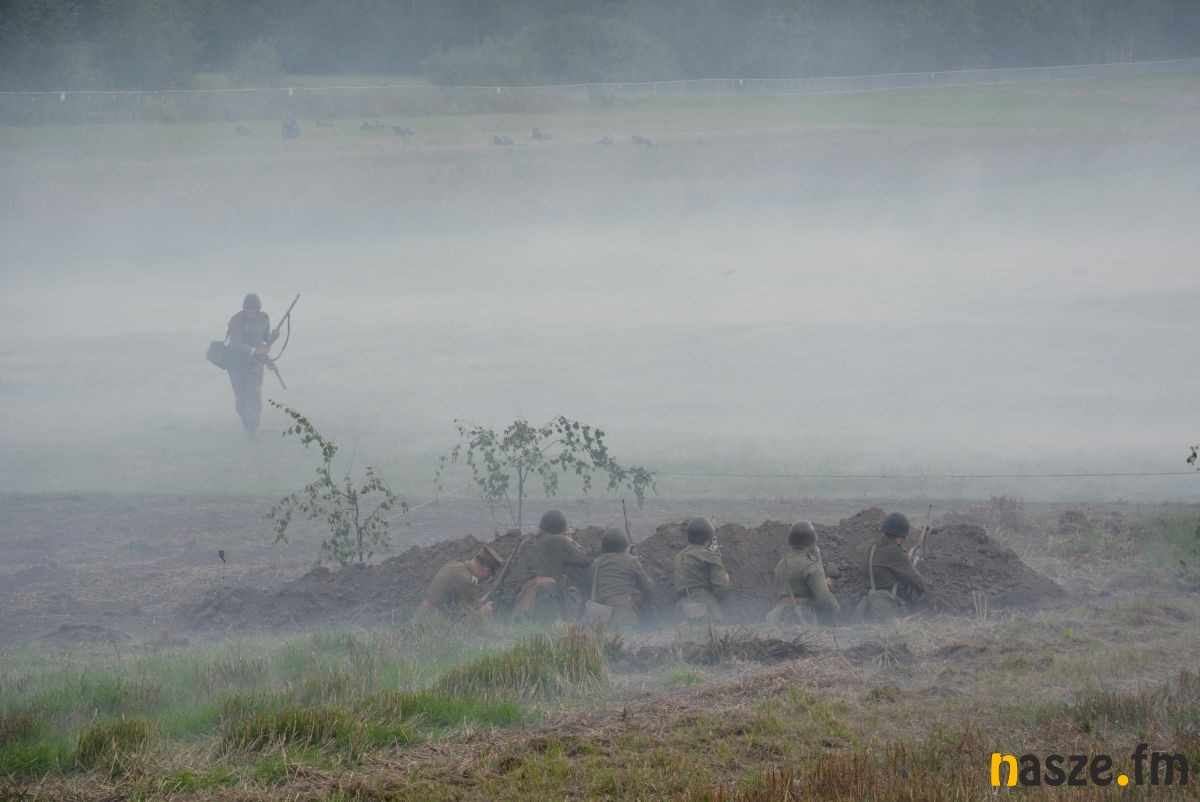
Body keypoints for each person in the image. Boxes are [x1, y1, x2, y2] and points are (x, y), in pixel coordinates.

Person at [507, 509, 593, 623]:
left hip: (524, 602)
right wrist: (569, 540)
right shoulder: (558, 540)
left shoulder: (525, 543)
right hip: (547, 599)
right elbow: (585, 559)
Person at [854, 512, 929, 623]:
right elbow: (920, 584)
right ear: (900, 537)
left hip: (868, 606)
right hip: (886, 610)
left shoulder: (873, 547)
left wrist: (905, 559)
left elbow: (886, 561)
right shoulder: (895, 552)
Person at [765, 521, 840, 627]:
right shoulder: (811, 565)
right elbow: (826, 600)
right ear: (810, 542)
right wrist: (835, 611)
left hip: (778, 617)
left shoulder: (782, 563)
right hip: (802, 617)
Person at [224, 293, 279, 437]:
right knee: (241, 398)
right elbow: (234, 343)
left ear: (258, 308)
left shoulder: (264, 319)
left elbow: (265, 339)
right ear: (244, 308)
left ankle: (252, 427)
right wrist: (255, 351)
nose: (251, 311)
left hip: (255, 364)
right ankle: (246, 419)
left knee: (254, 394)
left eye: (254, 308)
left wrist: (273, 337)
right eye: (248, 308)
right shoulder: (235, 321)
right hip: (236, 364)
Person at [413, 546, 504, 622]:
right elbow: (466, 621)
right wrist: (482, 612)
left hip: (422, 619)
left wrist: (477, 604)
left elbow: (455, 602)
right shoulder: (465, 581)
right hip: (432, 626)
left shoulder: (454, 567)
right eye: (488, 576)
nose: (486, 579)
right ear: (486, 570)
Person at [589, 527, 655, 629]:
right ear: (624, 545)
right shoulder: (631, 561)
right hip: (625, 617)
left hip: (601, 619)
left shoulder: (596, 563)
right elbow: (649, 589)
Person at [674, 517, 732, 622]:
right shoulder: (710, 556)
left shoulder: (678, 557)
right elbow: (722, 588)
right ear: (708, 537)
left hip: (681, 613)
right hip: (706, 610)